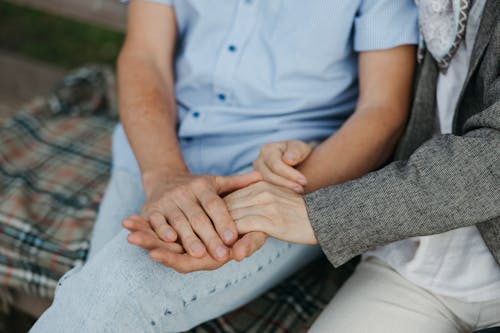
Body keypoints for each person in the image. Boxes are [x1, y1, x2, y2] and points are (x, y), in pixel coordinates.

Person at [29, 0, 419, 332]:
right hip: (154, 146)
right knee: (102, 300)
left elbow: (381, 112)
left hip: (283, 173)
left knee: (120, 288)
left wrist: (275, 200)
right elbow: (145, 56)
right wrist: (164, 173)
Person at [135, 0, 498, 331]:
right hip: (411, 262)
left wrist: (317, 214)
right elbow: (411, 112)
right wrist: (305, 153)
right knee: (138, 275)